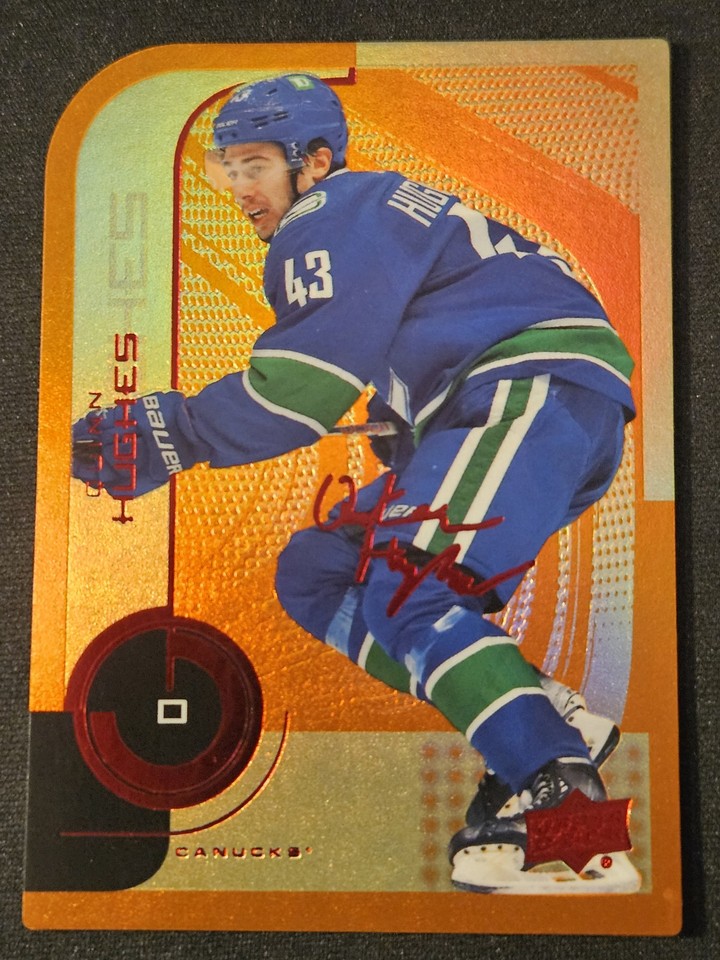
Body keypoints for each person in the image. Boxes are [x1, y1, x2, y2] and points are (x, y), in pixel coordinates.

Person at [73, 73, 640, 893]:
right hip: (528, 405)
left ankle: (573, 819)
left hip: (524, 395)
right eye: (230, 169)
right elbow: (458, 308)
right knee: (319, 570)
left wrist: (174, 432)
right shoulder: (379, 209)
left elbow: (302, 389)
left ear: (314, 160)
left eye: (256, 164)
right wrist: (411, 413)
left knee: (412, 593)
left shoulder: (326, 212)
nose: (240, 188)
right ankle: (540, 716)